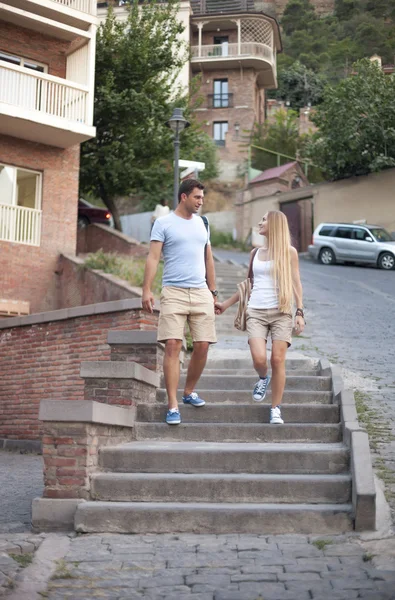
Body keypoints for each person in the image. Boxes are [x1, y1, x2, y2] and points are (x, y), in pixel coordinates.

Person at [215, 211, 305, 425]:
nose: (260, 222)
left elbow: (296, 284)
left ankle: (275, 408)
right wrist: (226, 304)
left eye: (264, 219)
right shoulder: (255, 253)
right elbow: (248, 284)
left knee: (277, 359)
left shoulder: (289, 252)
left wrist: (299, 312)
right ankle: (263, 378)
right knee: (259, 359)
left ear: (275, 224)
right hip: (255, 311)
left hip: (281, 311)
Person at [142, 179, 218, 425]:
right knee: (173, 344)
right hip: (173, 291)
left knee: (203, 345)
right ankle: (173, 405)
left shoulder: (203, 223)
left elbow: (209, 259)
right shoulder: (163, 223)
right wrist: (146, 290)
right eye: (197, 197)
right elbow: (153, 258)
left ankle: (188, 391)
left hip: (200, 292)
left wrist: (213, 292)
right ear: (184, 197)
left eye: (202, 197)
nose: (201, 201)